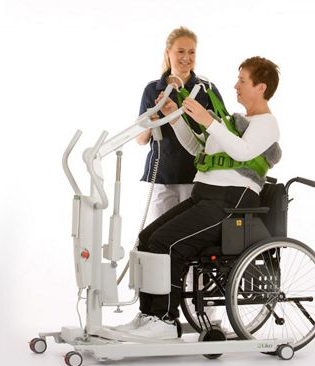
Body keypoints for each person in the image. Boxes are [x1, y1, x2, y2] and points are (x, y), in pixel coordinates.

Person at [117, 56, 282, 339]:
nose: (235, 86)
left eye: (242, 81)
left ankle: (165, 320)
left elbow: (243, 152)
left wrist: (208, 120)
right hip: (203, 196)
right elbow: (197, 150)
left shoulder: (266, 124)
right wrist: (178, 116)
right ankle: (149, 315)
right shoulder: (233, 122)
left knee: (166, 244)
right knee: (147, 238)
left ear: (261, 87)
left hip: (230, 202)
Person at [137, 26, 224, 224]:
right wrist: (155, 115)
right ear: (168, 53)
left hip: (196, 175)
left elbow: (223, 131)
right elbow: (141, 140)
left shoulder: (206, 89)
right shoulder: (152, 90)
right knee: (156, 237)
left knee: (187, 237)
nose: (186, 57)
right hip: (162, 176)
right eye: (180, 51)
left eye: (191, 52)